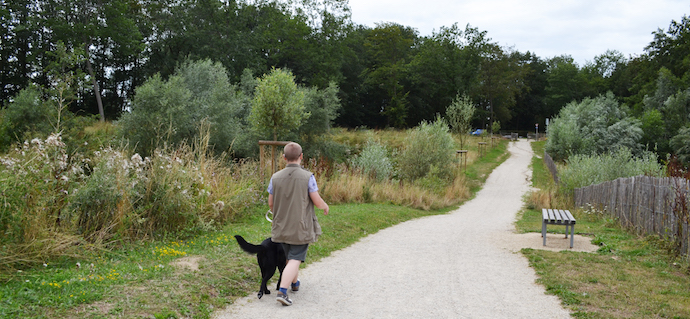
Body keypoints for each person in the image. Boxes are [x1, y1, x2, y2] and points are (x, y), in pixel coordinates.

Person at [267, 142, 329, 306]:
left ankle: (295, 283)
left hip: (281, 225)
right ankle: (282, 291)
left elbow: (271, 203)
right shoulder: (307, 177)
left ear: (284, 157)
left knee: (290, 256)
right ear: (301, 156)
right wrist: (324, 206)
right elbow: (316, 200)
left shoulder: (275, 177)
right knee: (296, 258)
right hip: (300, 226)